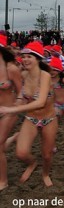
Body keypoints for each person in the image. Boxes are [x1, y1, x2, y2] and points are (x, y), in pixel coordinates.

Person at [0, 41, 59, 187]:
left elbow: (40, 102)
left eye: (29, 57)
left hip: (49, 119)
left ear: (38, 58)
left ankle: (45, 174)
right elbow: (21, 92)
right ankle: (32, 164)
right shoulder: (24, 74)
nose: (25, 60)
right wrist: (18, 101)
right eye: (24, 57)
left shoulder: (45, 75)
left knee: (47, 155)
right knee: (20, 153)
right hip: (31, 118)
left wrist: (11, 110)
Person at [0, 34, 22, 191]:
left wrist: (16, 107)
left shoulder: (11, 68)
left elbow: (21, 92)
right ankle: (14, 138)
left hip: (8, 112)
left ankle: (3, 181)